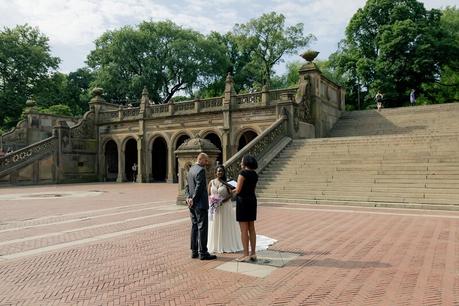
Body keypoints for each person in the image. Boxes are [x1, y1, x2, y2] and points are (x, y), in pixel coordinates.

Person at [185, 153, 217, 260]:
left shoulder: (191, 169)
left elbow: (187, 186)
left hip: (192, 204)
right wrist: (193, 199)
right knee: (202, 228)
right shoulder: (200, 170)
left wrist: (188, 198)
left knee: (194, 226)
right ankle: (203, 253)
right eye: (206, 161)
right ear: (201, 159)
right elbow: (199, 187)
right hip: (200, 204)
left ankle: (194, 251)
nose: (207, 163)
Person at [207, 165, 243, 253]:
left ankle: (226, 244)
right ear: (215, 173)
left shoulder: (227, 183)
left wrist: (222, 201)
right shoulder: (211, 182)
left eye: (221, 171)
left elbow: (231, 194)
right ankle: (215, 244)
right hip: (215, 208)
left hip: (225, 206)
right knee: (215, 224)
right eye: (218, 171)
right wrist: (212, 201)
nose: (220, 172)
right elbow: (208, 194)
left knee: (225, 224)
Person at [233, 155, 259, 262]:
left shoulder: (242, 173)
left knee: (243, 229)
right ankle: (253, 253)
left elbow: (238, 190)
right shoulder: (255, 174)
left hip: (243, 201)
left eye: (242, 161)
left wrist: (231, 190)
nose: (241, 162)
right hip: (252, 200)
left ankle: (245, 254)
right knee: (251, 227)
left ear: (245, 162)